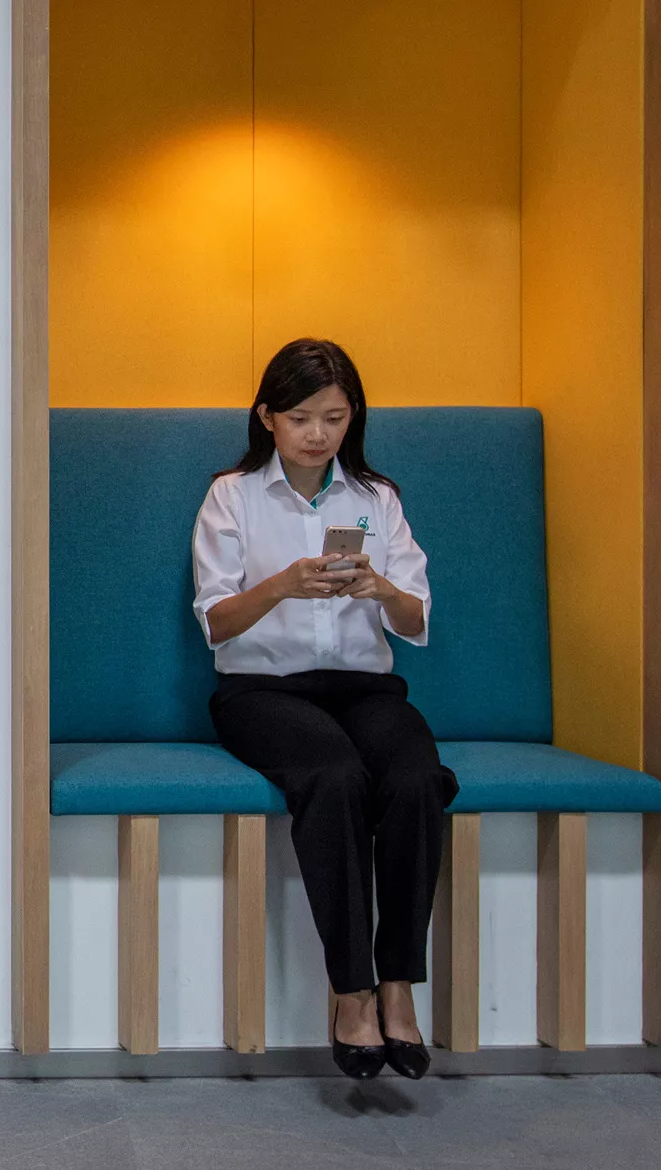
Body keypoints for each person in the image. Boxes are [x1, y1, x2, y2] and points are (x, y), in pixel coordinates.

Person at [191, 338, 451, 1081]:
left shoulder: (376, 499)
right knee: (334, 778)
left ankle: (398, 982)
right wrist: (282, 584)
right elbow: (215, 623)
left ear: (351, 418)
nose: (317, 434)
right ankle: (352, 992)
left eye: (334, 418)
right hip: (261, 692)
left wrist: (380, 589)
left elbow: (415, 619)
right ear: (266, 417)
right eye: (301, 417)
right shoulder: (232, 496)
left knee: (416, 779)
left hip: (363, 688)